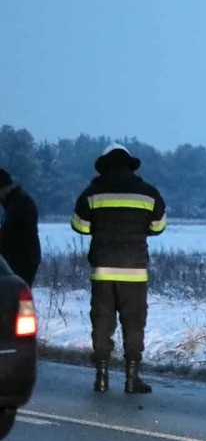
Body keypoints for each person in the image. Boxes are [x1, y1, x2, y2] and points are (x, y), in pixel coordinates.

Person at [71, 143, 167, 394]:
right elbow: (158, 227)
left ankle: (101, 378)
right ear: (130, 166)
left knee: (102, 321)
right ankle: (132, 379)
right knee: (133, 324)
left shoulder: (91, 193)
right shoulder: (149, 193)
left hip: (102, 269)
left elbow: (80, 227)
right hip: (134, 270)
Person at [0, 169, 41, 286]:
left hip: (22, 260)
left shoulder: (19, 204)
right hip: (19, 259)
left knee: (18, 298)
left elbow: (10, 234)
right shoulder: (13, 202)